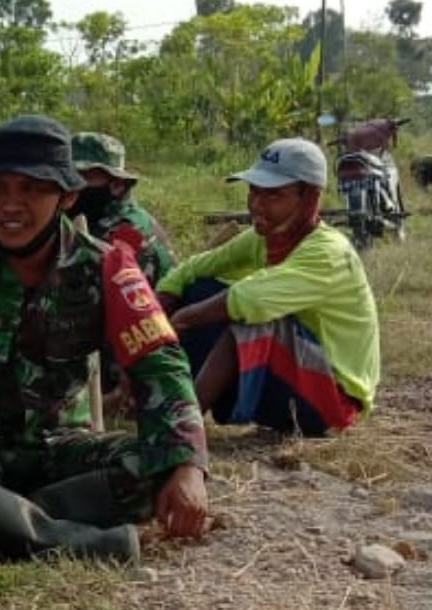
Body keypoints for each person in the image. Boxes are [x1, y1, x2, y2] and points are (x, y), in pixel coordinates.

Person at [0, 115, 209, 565]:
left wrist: (189, 467)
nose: (11, 205)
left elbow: (159, 364)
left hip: (60, 448)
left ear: (66, 196)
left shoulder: (109, 268)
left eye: (31, 189)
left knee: (159, 462)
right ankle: (81, 542)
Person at [155, 138, 380, 436]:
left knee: (248, 318)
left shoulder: (328, 252)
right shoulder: (265, 237)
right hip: (295, 376)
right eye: (253, 192)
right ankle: (156, 401)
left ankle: (181, 433)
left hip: (333, 401)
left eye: (273, 195)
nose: (256, 205)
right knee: (199, 288)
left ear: (309, 199)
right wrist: (153, 320)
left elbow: (251, 300)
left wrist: (180, 321)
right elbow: (190, 269)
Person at [68, 132, 175, 287]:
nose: (72, 185)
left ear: (117, 185)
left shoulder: (125, 233)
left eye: (84, 177)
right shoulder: (99, 217)